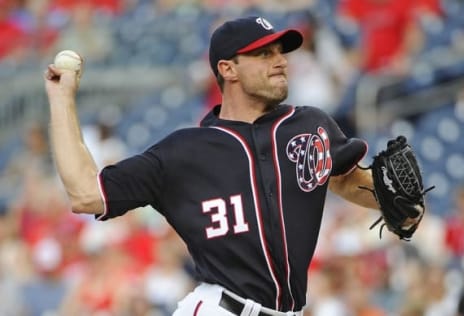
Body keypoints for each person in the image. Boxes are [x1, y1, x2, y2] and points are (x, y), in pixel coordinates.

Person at [44, 16, 421, 316]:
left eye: (280, 52)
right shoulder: (184, 152)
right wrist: (62, 99)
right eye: (264, 55)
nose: (280, 61)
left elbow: (340, 179)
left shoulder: (310, 125)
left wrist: (398, 206)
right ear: (228, 68)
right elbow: (86, 193)